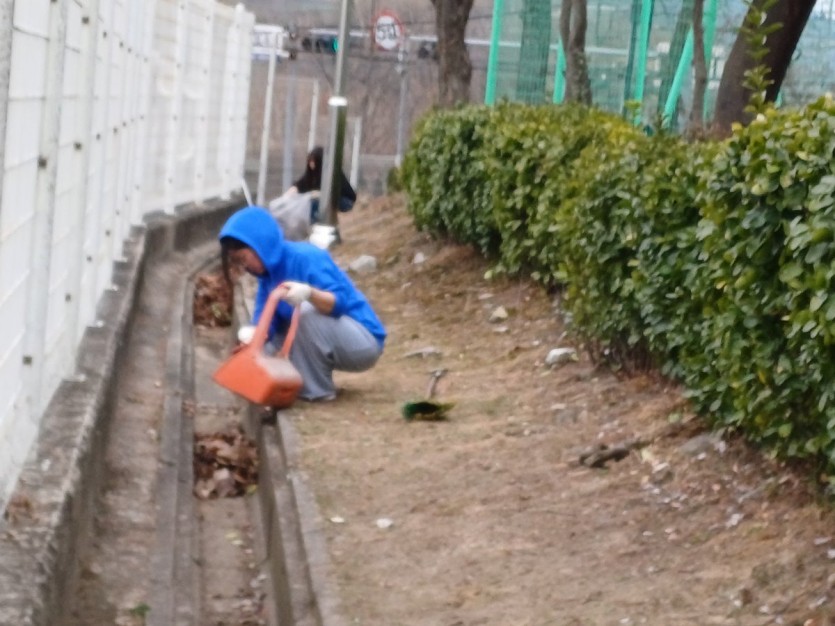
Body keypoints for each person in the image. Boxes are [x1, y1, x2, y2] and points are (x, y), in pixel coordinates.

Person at [219, 206, 385, 401]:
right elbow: (266, 320)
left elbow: (339, 302)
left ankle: (317, 392)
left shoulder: (306, 257)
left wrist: (309, 293)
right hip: (329, 338)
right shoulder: (267, 277)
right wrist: (253, 335)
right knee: (265, 348)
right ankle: (277, 389)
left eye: (243, 259)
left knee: (305, 313)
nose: (244, 266)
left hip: (362, 341)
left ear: (260, 246)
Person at [280, 146, 356, 222]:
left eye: (313, 161)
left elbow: (329, 193)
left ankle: (315, 222)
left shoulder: (331, 173)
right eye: (310, 161)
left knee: (314, 203)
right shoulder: (312, 173)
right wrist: (286, 197)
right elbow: (300, 185)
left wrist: (315, 194)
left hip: (345, 201)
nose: (311, 164)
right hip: (329, 200)